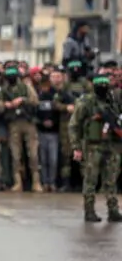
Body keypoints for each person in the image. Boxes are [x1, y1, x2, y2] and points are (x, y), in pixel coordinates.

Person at [69, 73, 122, 222]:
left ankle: (113, 210)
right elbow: (74, 125)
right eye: (100, 84)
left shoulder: (112, 101)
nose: (103, 87)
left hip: (111, 145)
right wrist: (76, 147)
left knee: (111, 179)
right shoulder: (86, 102)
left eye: (106, 84)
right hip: (92, 146)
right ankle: (89, 210)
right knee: (90, 179)